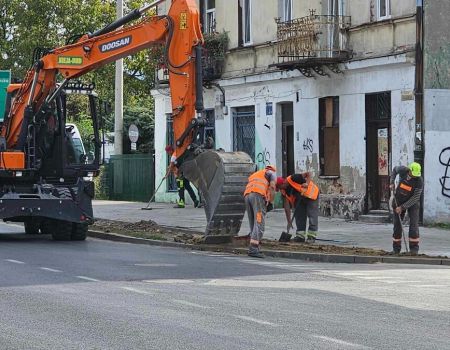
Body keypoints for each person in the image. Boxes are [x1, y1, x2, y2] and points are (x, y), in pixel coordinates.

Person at [243, 165, 277, 258]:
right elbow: (273, 187)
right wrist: (271, 202)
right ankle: (253, 249)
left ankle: (255, 246)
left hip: (247, 195)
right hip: (257, 196)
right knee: (259, 223)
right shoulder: (271, 173)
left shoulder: (257, 174)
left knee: (253, 222)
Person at [390, 162, 423, 255]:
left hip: (413, 203)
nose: (415, 177)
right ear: (409, 170)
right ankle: (396, 249)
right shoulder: (402, 170)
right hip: (399, 200)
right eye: (413, 174)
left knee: (414, 225)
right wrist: (392, 182)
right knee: (397, 226)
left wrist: (403, 207)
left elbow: (416, 197)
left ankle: (413, 250)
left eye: (416, 175)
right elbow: (394, 170)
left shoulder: (419, 181)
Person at [276, 172, 320, 243]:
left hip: (311, 195)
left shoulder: (293, 178)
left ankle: (311, 236)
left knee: (312, 215)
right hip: (300, 198)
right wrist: (289, 221)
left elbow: (309, 173)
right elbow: (286, 207)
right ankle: (300, 236)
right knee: (299, 216)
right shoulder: (284, 191)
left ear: (283, 183)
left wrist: (307, 183)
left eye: (279, 187)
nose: (279, 190)